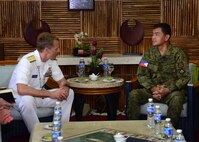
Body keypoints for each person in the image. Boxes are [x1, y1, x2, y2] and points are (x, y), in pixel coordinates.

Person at [8, 32, 74, 132]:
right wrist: (50, 94)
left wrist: (63, 88)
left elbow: (62, 81)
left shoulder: (51, 61)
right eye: (56, 49)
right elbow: (21, 89)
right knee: (27, 100)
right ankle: (36, 134)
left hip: (39, 95)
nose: (59, 51)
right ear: (47, 50)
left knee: (69, 93)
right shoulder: (27, 61)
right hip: (20, 98)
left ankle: (61, 128)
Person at [127, 23, 190, 127]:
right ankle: (134, 130)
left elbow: (184, 77)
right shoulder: (148, 55)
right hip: (152, 91)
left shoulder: (178, 54)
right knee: (133, 95)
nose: (153, 37)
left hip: (171, 93)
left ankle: (168, 131)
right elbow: (141, 74)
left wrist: (167, 89)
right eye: (152, 34)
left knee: (177, 99)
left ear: (166, 37)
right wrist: (152, 88)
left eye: (157, 34)